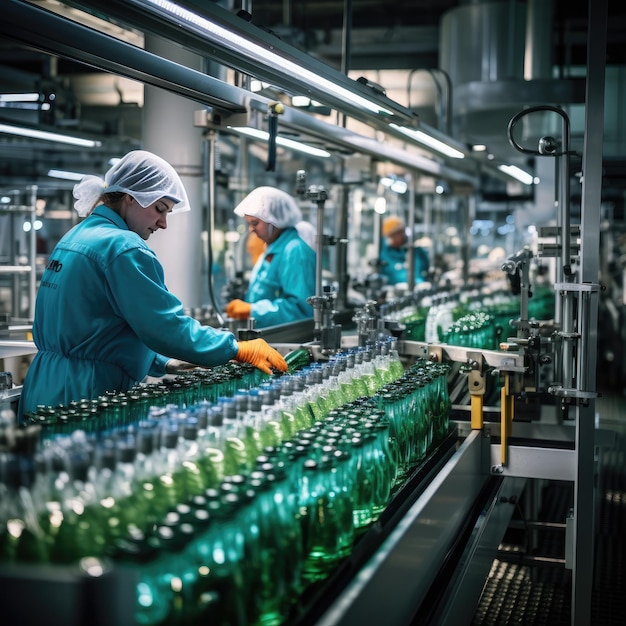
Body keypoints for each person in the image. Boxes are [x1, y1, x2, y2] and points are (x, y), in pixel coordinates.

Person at [18, 150, 287, 421]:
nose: (163, 223)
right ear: (130, 198)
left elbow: (98, 327)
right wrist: (234, 348)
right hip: (85, 393)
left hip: (44, 387)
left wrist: (162, 361)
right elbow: (165, 326)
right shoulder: (123, 247)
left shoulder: (76, 236)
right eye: (159, 209)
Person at [226, 186, 316, 328]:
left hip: (286, 339)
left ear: (276, 220)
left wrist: (253, 310)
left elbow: (300, 309)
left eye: (255, 223)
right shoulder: (272, 248)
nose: (251, 230)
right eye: (249, 223)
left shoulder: (295, 250)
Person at [379, 215, 429, 286]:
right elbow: (393, 275)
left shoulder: (415, 251)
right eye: (399, 233)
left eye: (403, 231)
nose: (403, 235)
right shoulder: (384, 255)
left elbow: (424, 268)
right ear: (390, 236)